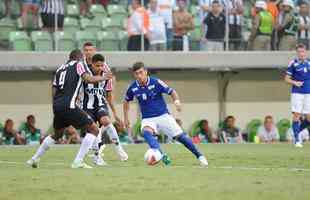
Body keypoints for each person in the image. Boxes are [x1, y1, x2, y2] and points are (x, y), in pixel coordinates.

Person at [27, 49, 113, 168]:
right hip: (69, 105)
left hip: (57, 106)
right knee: (94, 129)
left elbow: (54, 89)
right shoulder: (79, 64)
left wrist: (56, 106)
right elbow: (87, 78)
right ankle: (78, 161)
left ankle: (34, 159)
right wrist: (104, 78)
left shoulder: (60, 68)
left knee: (57, 134)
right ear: (79, 57)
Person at [123, 62, 208, 166]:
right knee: (146, 132)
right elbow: (126, 101)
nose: (139, 76)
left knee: (181, 138)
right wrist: (126, 118)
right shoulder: (133, 87)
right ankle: (161, 155)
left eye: (141, 72)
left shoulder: (156, 82)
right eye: (136, 74)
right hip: (148, 119)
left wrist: (177, 102)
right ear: (134, 75)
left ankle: (200, 156)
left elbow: (172, 91)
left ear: (146, 72)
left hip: (163, 116)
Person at [81, 54, 128, 166]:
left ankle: (119, 148)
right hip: (87, 107)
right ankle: (97, 158)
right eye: (97, 66)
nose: (100, 68)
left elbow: (109, 96)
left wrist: (115, 113)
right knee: (94, 129)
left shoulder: (107, 77)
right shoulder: (85, 74)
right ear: (92, 64)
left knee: (106, 121)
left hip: (100, 104)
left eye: (102, 65)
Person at [284, 43, 310, 147]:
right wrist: (295, 83)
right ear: (297, 53)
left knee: (308, 118)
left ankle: (296, 132)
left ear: (306, 52)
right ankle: (297, 140)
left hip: (308, 93)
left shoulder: (309, 63)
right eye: (299, 52)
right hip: (297, 93)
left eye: (303, 51)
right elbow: (286, 79)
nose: (301, 54)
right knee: (297, 115)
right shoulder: (293, 63)